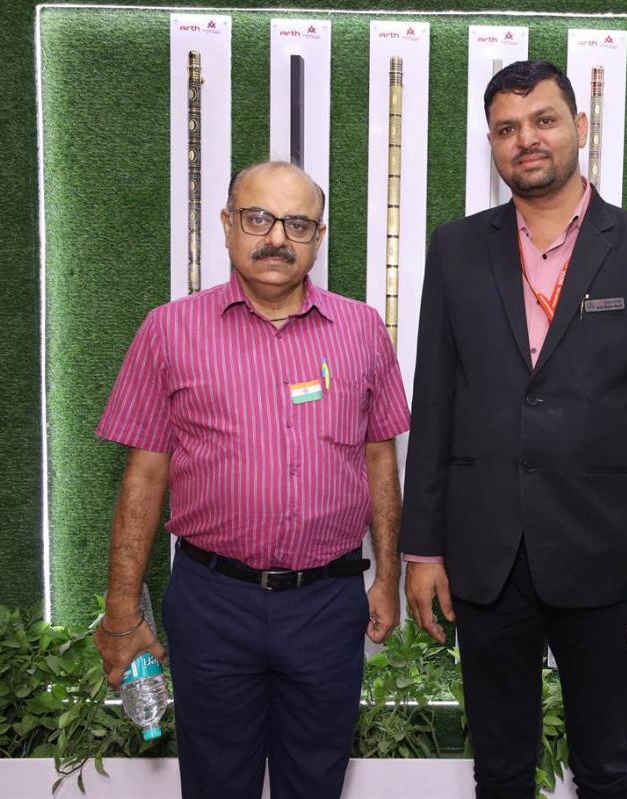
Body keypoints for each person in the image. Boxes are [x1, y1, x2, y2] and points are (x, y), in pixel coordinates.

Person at [400, 60, 627, 799]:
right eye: (506, 128)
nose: (525, 139)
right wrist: (422, 548)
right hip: (486, 554)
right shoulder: (455, 248)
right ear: (492, 145)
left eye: (543, 120)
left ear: (580, 127)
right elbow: (434, 401)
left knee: (606, 769)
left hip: (607, 557)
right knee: (500, 770)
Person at [93, 161, 410, 799]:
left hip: (327, 603)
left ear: (318, 237)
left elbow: (380, 457)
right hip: (213, 603)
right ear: (227, 224)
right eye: (258, 218)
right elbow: (144, 478)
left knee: (315, 782)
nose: (277, 239)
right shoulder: (168, 330)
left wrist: (388, 576)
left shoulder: (362, 330)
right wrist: (122, 612)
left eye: (297, 224)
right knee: (216, 783)